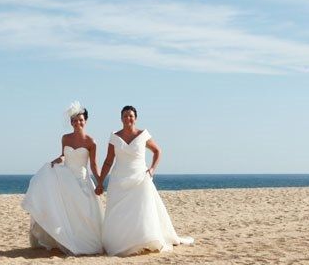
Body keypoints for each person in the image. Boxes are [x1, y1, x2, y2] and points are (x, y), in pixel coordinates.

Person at [96, 106, 194, 256]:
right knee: (118, 212)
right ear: (121, 118)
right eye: (125, 116)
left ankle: (142, 240)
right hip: (119, 180)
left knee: (141, 210)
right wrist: (101, 181)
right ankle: (120, 242)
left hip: (140, 178)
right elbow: (108, 161)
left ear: (135, 118)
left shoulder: (143, 135)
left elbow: (157, 151)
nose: (128, 118)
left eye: (131, 116)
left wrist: (152, 169)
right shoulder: (114, 137)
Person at [21, 101, 103, 255]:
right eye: (74, 120)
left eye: (81, 120)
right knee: (66, 211)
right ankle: (67, 240)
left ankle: (83, 242)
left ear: (85, 121)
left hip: (82, 180)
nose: (77, 123)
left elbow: (94, 165)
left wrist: (99, 182)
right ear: (71, 122)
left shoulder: (91, 142)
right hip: (66, 178)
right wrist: (59, 159)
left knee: (84, 214)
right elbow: (64, 155)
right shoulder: (65, 138)